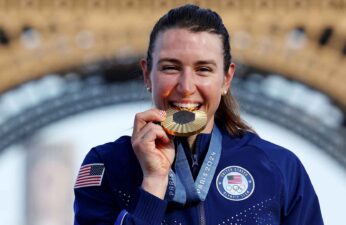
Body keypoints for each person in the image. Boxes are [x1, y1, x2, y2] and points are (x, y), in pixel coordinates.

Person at [74, 4, 324, 225]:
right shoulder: (106, 166)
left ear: (226, 78)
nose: (186, 87)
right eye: (170, 67)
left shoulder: (281, 168)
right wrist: (152, 183)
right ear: (146, 73)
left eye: (203, 69)